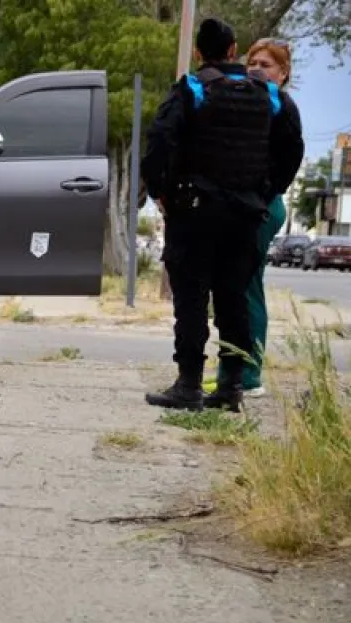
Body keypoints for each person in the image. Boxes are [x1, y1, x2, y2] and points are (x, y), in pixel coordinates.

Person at [141, 17, 304, 412]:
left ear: (199, 52)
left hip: (194, 213)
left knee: (192, 299)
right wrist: (266, 192)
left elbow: (159, 143)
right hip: (244, 215)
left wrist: (161, 191)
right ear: (234, 51)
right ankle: (231, 386)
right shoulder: (271, 97)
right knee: (234, 298)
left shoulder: (191, 89)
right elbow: (292, 150)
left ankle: (189, 385)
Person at [207, 38, 295, 400]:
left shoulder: (281, 108)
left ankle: (249, 375)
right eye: (252, 63)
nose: (256, 69)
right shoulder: (250, 103)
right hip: (241, 206)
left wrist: (260, 193)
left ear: (283, 73)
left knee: (246, 290)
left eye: (266, 64)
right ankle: (229, 371)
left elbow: (289, 159)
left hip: (262, 206)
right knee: (231, 290)